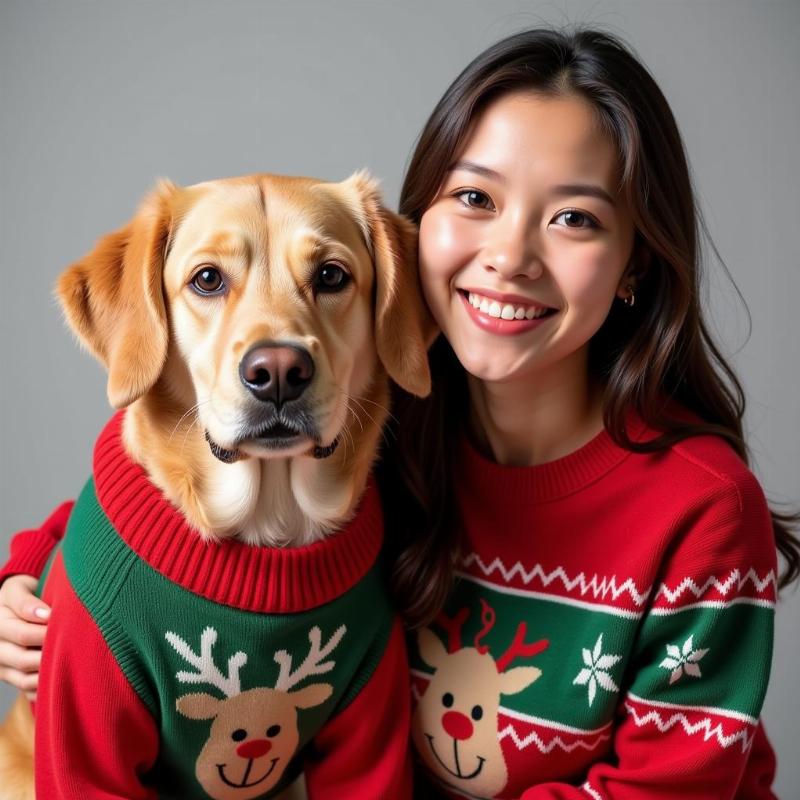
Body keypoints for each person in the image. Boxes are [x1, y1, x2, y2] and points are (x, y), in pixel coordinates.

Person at [1, 27, 797, 799]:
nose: (511, 257)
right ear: (420, 237)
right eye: (477, 197)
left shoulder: (703, 513)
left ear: (636, 261)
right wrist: (32, 574)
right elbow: (153, 515)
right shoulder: (386, 427)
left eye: (574, 218)